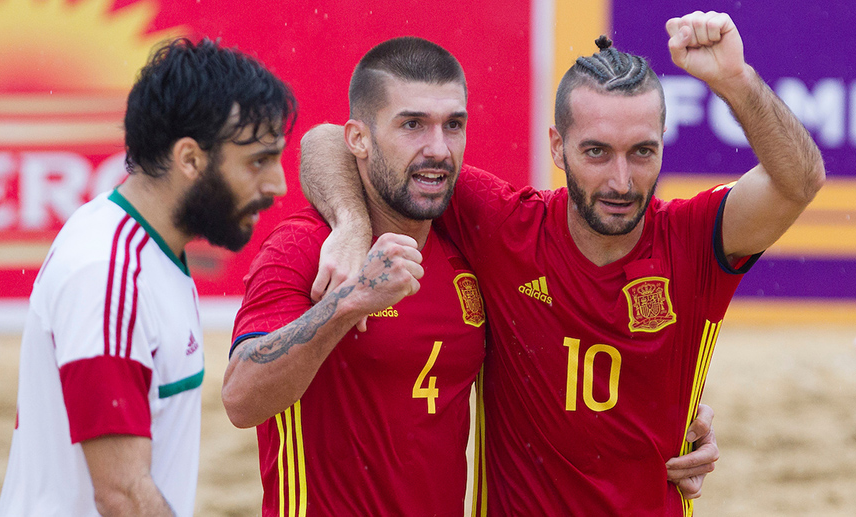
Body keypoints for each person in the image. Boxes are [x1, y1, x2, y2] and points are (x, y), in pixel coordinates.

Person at [299, 11, 824, 516]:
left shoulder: (694, 238)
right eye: (596, 152)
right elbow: (331, 141)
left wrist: (735, 80)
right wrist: (349, 223)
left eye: (641, 152)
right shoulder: (504, 224)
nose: (621, 181)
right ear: (558, 147)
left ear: (662, 146)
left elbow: (800, 181)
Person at [0, 38, 296, 517]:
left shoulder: (147, 250)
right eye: (258, 161)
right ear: (190, 159)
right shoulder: (108, 273)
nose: (277, 185)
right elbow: (123, 495)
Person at [222, 37, 486, 516]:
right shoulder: (304, 246)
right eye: (412, 124)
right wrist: (347, 301)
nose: (438, 148)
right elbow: (241, 398)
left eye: (454, 124)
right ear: (359, 140)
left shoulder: (468, 243)